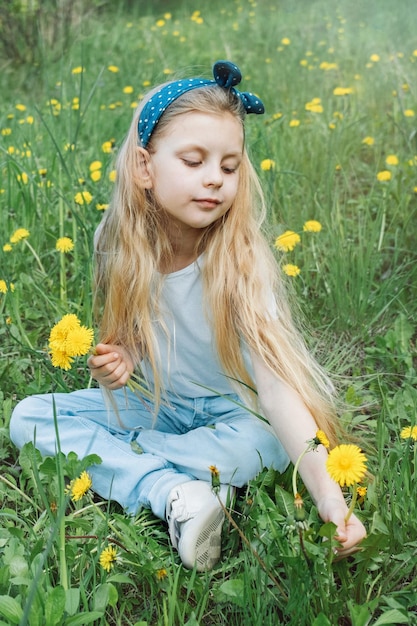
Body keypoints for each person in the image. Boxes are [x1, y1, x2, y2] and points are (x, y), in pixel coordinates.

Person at [10, 60, 366, 571]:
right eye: (194, 160)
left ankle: (132, 467)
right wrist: (124, 357)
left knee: (262, 445)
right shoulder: (115, 243)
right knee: (29, 418)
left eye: (228, 167)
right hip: (156, 406)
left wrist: (330, 497)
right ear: (144, 167)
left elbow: (277, 389)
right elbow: (136, 330)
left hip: (230, 420)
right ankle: (174, 490)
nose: (214, 181)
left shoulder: (239, 264)